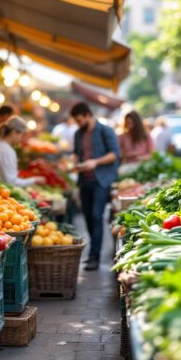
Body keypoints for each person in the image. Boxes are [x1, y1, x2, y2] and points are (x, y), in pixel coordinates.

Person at [71, 102, 120, 271]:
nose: (78, 124)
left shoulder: (105, 131)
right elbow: (77, 153)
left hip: (101, 181)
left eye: (79, 120)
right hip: (84, 180)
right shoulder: (78, 134)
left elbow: (115, 154)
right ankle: (93, 253)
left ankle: (94, 257)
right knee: (88, 219)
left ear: (87, 115)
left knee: (96, 216)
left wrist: (95, 162)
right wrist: (75, 161)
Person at [0, 116, 46, 187]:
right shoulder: (7, 150)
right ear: (14, 132)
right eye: (22, 135)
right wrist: (34, 180)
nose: (22, 138)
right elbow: (12, 182)